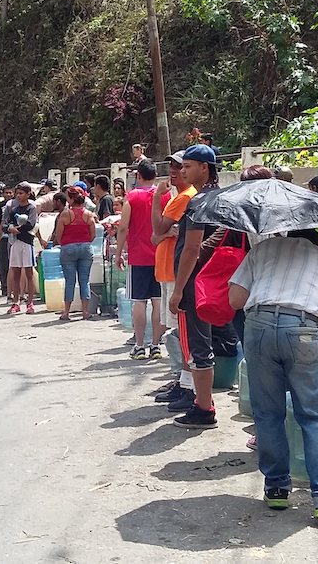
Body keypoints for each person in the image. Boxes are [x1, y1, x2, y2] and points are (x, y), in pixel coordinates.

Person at [228, 229, 318, 523]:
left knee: (267, 413)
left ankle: (276, 489)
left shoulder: (263, 250)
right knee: (313, 417)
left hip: (258, 327)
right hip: (304, 330)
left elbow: (235, 299)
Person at [168, 144, 222, 429]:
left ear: (205, 168)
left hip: (193, 283)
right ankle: (204, 402)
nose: (183, 171)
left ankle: (204, 408)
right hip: (211, 280)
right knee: (203, 343)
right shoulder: (217, 197)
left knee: (197, 346)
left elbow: (191, 250)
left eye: (188, 166)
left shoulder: (199, 202)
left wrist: (178, 289)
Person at [151, 152, 197, 407]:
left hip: (174, 272)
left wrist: (157, 197)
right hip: (167, 270)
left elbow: (158, 230)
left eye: (181, 166)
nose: (174, 170)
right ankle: (182, 381)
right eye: (172, 165)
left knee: (180, 333)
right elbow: (156, 235)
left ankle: (186, 386)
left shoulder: (185, 197)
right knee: (176, 332)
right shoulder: (177, 197)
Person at [114, 163, 165, 360]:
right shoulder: (165, 196)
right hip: (160, 255)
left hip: (138, 256)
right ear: (156, 175)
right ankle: (156, 345)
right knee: (158, 302)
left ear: (137, 175)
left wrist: (119, 253)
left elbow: (124, 227)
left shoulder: (132, 197)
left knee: (139, 301)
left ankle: (139, 344)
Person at [51, 186, 98, 321]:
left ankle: (66, 312)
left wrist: (66, 244)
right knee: (84, 280)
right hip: (85, 248)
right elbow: (93, 235)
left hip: (68, 249)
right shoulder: (89, 214)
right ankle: (85, 312)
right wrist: (84, 242)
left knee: (70, 281)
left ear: (70, 199)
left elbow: (58, 236)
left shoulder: (66, 214)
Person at [2, 182, 40, 314]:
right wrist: (9, 229)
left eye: (21, 193)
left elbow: (31, 224)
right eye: (17, 193)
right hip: (15, 243)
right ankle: (16, 301)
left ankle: (30, 302)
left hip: (27, 242)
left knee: (29, 273)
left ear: (28, 194)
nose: (18, 196)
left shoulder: (31, 208)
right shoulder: (13, 210)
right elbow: (5, 224)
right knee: (16, 273)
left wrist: (17, 229)